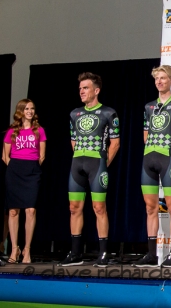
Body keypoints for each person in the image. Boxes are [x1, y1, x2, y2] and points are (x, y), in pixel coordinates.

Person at [61, 73, 120, 267]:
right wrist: (80, 156)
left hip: (97, 164)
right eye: (80, 88)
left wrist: (103, 163)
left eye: (85, 88)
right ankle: (76, 252)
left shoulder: (108, 113)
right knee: (73, 208)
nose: (81, 91)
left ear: (96, 90)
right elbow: (73, 141)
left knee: (99, 208)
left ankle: (103, 253)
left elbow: (115, 143)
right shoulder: (74, 113)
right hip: (77, 164)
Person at [133, 66, 171, 268]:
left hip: (168, 160)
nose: (159, 81)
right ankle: (152, 254)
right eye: (157, 78)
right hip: (149, 160)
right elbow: (145, 135)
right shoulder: (148, 107)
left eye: (163, 78)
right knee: (150, 208)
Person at [2, 99, 46, 264]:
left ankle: (27, 249)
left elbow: (42, 155)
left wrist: (32, 167)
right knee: (13, 211)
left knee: (30, 210)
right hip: (15, 171)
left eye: (32, 108)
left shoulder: (39, 130)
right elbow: (5, 155)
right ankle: (14, 248)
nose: (30, 111)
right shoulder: (12, 131)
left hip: (32, 172)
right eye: (27, 108)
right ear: (20, 111)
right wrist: (15, 168)